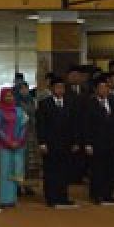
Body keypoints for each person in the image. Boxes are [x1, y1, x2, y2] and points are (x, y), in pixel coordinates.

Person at [36, 75, 78, 208]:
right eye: (57, 87)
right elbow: (41, 125)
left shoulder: (70, 103)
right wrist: (42, 142)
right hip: (50, 143)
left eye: (62, 87)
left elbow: (74, 124)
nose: (60, 90)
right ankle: (51, 197)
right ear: (52, 89)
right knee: (51, 171)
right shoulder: (45, 103)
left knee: (64, 171)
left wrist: (75, 141)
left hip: (66, 142)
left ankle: (63, 197)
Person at [83, 75, 114, 205]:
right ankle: (96, 194)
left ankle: (108, 194)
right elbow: (86, 124)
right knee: (97, 169)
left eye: (106, 87)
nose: (104, 90)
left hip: (112, 142)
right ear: (96, 89)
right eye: (101, 87)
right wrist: (88, 143)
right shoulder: (90, 103)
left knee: (111, 169)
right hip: (96, 142)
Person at [0, 89, 29, 208]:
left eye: (11, 95)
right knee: (4, 172)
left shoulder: (20, 110)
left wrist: (18, 141)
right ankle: (4, 200)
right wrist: (9, 141)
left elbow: (24, 126)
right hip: (4, 146)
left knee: (15, 172)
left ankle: (13, 199)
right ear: (2, 97)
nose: (9, 98)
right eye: (6, 96)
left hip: (18, 145)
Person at [15, 80, 39, 196]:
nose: (24, 91)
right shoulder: (15, 103)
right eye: (22, 89)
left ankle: (29, 186)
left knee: (31, 162)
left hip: (31, 134)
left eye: (26, 88)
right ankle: (18, 186)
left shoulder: (32, 101)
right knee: (20, 162)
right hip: (19, 134)